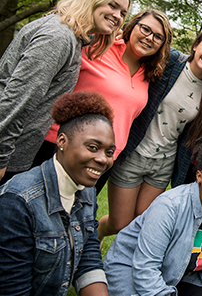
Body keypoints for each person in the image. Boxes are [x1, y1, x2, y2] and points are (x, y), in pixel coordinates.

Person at [97, 29, 202, 243]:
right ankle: (99, 232)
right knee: (119, 223)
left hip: (163, 163)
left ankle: (124, 269)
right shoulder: (171, 64)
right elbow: (140, 49)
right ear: (196, 45)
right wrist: (118, 34)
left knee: (144, 222)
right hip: (135, 153)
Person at [0, 0, 129, 185]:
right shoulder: (58, 37)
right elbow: (18, 99)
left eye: (123, 13)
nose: (118, 16)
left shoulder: (72, 37)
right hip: (7, 158)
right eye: (112, 6)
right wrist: (1, 157)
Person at [41, 9, 173, 191]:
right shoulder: (100, 45)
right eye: (145, 29)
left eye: (158, 37)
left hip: (105, 159)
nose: (150, 38)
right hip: (65, 146)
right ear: (131, 26)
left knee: (79, 216)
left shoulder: (150, 73)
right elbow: (75, 28)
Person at [0, 90, 116, 296]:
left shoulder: (87, 191)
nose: (103, 159)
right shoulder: (18, 201)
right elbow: (12, 288)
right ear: (62, 141)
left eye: (109, 152)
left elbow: (87, 255)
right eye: (92, 147)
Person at [103, 136, 202, 296]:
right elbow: (146, 268)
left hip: (180, 278)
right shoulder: (170, 206)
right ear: (199, 176)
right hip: (134, 273)